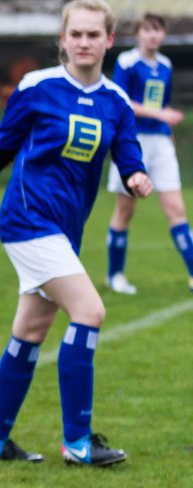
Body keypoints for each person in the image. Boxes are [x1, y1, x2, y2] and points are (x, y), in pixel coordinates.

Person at [0, 0, 150, 468]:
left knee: (31, 330)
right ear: (63, 39)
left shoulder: (116, 102)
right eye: (75, 34)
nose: (84, 42)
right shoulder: (37, 87)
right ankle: (77, 442)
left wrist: (136, 178)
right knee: (90, 310)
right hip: (27, 221)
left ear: (109, 41)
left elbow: (129, 154)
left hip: (63, 231)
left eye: (94, 35)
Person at [104, 13, 191, 295]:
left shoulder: (164, 65)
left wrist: (168, 131)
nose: (152, 36)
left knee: (177, 209)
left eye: (157, 31)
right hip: (131, 141)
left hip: (160, 143)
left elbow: (161, 104)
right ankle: (114, 274)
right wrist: (160, 114)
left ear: (163, 35)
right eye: (147, 30)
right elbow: (122, 101)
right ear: (138, 34)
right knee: (125, 210)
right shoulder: (127, 62)